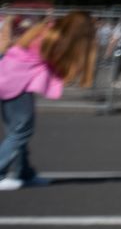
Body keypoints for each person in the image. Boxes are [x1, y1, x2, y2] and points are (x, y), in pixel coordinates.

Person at [1, 12, 98, 190]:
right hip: (16, 81)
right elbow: (62, 65)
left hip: (8, 75)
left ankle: (25, 173)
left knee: (17, 131)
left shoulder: (47, 29)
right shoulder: (56, 39)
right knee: (21, 131)